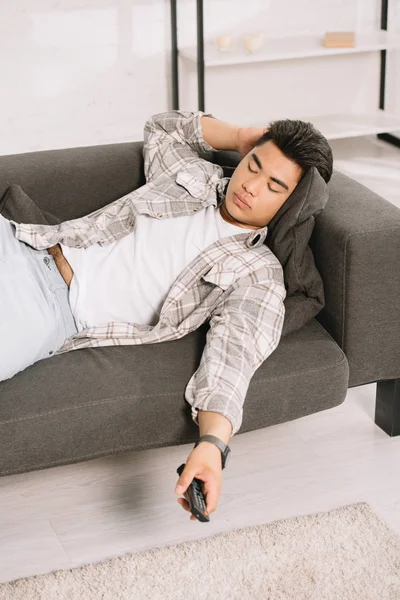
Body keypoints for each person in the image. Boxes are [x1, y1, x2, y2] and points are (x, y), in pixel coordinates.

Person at [0, 111, 333, 520]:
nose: (249, 185)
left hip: (52, 308)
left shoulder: (257, 275)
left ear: (291, 206)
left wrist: (213, 447)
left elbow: (232, 359)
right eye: (254, 165)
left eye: (273, 186)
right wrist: (238, 135)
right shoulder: (194, 175)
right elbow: (161, 127)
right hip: (25, 243)